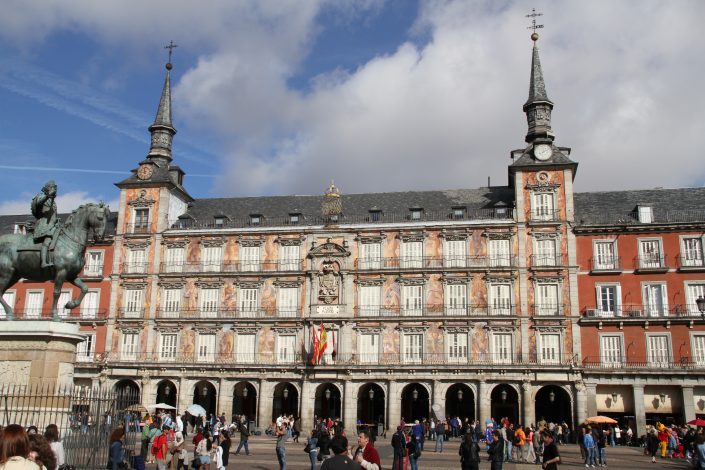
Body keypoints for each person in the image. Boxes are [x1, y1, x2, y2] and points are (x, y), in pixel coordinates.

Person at [31, 180, 59, 268]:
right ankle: (43, 262)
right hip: (44, 225)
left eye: (54, 188)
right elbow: (39, 203)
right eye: (52, 187)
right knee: (47, 241)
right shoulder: (40, 196)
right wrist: (48, 195)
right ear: (48, 188)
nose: (54, 189)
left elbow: (53, 214)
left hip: (53, 225)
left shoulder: (52, 201)